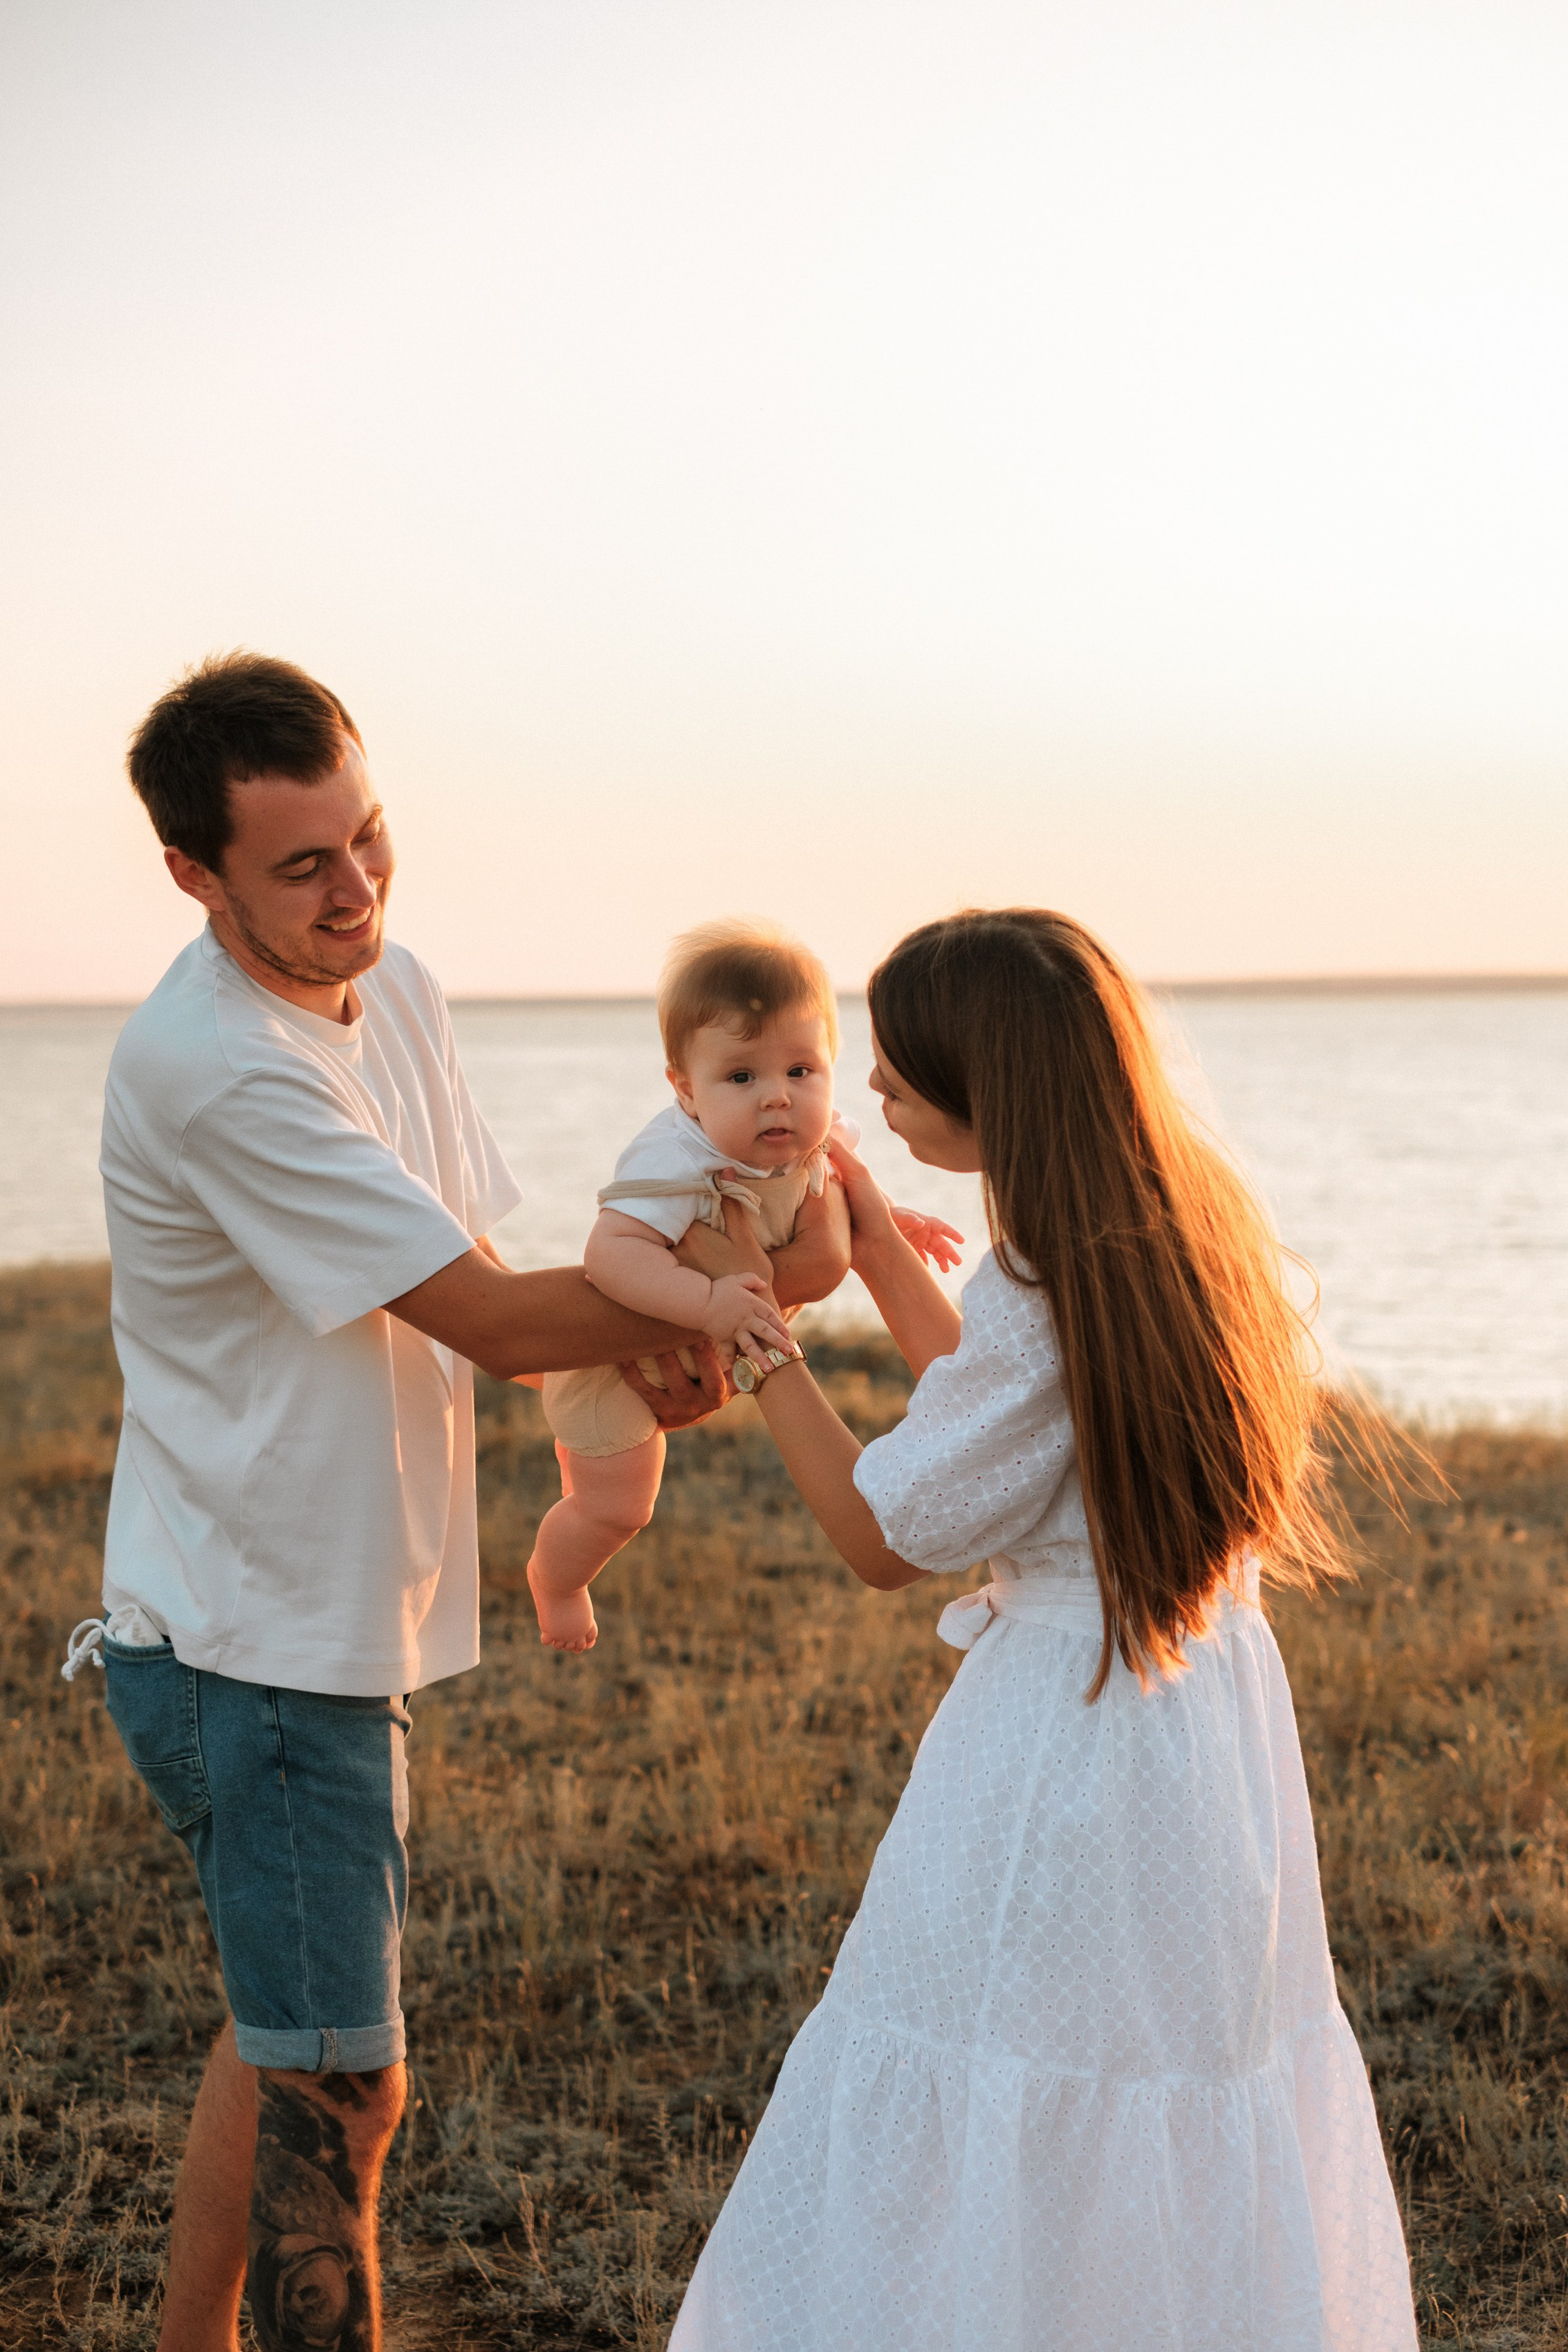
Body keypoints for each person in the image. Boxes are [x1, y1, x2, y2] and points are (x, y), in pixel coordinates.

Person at [63, 652, 850, 2352]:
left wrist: (661, 1349)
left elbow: (481, 1263)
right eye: (299, 865)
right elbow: (494, 1325)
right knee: (345, 2081)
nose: (354, 891)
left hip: (313, 1611)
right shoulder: (219, 1064)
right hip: (254, 1636)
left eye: (368, 837)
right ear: (193, 875)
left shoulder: (391, 984)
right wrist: (722, 1303)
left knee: (291, 2035)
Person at [669, 908, 1418, 2351]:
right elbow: (1006, 1416)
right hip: (1195, 1736)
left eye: (896, 1074)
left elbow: (885, 1530)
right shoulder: (1178, 1240)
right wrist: (884, 1246)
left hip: (1061, 1754)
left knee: (998, 2068)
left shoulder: (1035, 1288)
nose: (864, 1095)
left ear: (988, 1090)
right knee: (1175, 2078)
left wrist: (754, 1333)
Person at [529, 918, 961, 1652]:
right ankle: (556, 1581)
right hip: (612, 1371)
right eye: (741, 1076)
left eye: (800, 1071)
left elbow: (835, 1186)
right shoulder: (676, 1161)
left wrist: (895, 1221)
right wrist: (706, 1303)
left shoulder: (814, 1136)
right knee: (617, 1507)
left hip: (697, 1342)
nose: (777, 1099)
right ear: (685, 1090)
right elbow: (611, 1253)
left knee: (632, 1495)